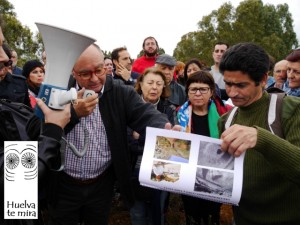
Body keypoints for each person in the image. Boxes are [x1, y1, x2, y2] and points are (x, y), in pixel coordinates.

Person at [48, 43, 180, 225]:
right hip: (64, 186)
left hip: (102, 185)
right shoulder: (57, 92)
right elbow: (43, 132)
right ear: (73, 72)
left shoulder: (121, 92)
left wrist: (163, 127)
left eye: (99, 70)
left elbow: (145, 114)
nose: (94, 79)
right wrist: (74, 114)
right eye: (85, 73)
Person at [218, 42, 300, 225]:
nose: (232, 92)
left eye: (241, 85)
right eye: (228, 84)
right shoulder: (226, 120)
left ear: (263, 79)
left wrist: (263, 139)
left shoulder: (291, 110)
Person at [177, 71, 231, 225]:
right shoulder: (179, 114)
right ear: (187, 92)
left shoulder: (224, 113)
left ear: (212, 92)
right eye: (193, 89)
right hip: (188, 176)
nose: (198, 93)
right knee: (192, 213)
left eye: (203, 89)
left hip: (215, 176)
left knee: (212, 213)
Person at [129, 67, 177, 225]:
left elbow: (170, 145)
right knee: (138, 212)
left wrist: (140, 136)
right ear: (141, 84)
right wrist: (151, 139)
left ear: (164, 87)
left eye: (159, 83)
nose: (154, 87)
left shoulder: (169, 109)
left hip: (162, 167)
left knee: (158, 212)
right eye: (150, 82)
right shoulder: (129, 106)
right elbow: (128, 140)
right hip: (134, 167)